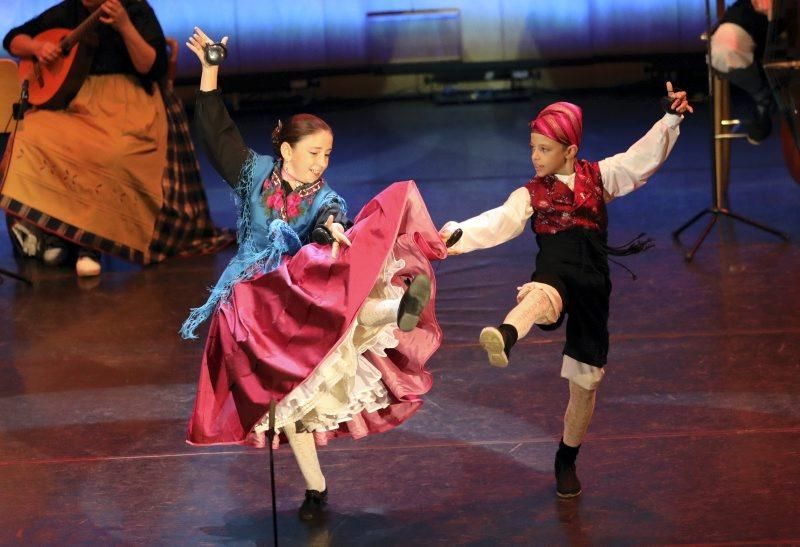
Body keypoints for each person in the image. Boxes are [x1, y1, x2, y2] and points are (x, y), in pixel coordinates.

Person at [182, 28, 446, 521]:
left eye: (327, 155)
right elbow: (217, 134)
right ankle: (316, 489)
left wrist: (334, 229)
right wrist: (211, 69)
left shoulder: (321, 193)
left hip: (298, 293)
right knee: (291, 405)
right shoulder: (253, 172)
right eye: (314, 154)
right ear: (286, 151)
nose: (322, 163)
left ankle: (396, 306)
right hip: (254, 303)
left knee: (339, 289)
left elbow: (331, 214)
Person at [438, 84, 693, 498]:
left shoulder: (599, 177)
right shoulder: (531, 194)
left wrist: (670, 118)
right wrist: (454, 235)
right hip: (555, 274)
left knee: (585, 382)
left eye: (543, 149)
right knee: (539, 296)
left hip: (593, 286)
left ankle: (566, 457)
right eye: (532, 148)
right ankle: (505, 334)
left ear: (570, 150)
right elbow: (498, 221)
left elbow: (640, 161)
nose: (534, 157)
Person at [1, 0, 232, 277]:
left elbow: (152, 65)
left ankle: (91, 243)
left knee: (113, 151)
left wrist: (124, 25)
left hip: (129, 100)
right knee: (32, 133)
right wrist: (37, 47)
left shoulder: (135, 9)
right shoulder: (68, 11)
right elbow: (13, 39)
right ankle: (54, 235)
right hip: (77, 102)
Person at [709, 0, 774, 144]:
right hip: (733, 43)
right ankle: (763, 103)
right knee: (763, 94)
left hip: (727, 44)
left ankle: (763, 103)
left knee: (762, 93)